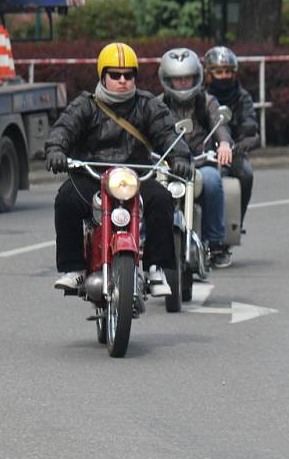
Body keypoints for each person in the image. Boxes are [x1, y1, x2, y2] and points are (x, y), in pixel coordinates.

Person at [46, 42, 192, 296]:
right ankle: (74, 269)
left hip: (135, 177)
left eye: (129, 75)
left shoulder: (149, 105)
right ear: (103, 76)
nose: (122, 80)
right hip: (94, 176)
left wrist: (180, 157)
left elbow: (169, 136)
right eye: (115, 75)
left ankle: (156, 268)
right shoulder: (85, 105)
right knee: (66, 199)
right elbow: (63, 129)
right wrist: (56, 151)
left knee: (162, 199)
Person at [157, 47, 234, 268]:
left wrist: (225, 144)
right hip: (167, 165)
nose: (183, 83)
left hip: (200, 162)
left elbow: (220, 125)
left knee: (212, 182)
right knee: (150, 189)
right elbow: (146, 130)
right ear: (167, 79)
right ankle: (145, 239)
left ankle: (216, 244)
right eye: (177, 79)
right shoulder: (157, 104)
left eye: (187, 78)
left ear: (196, 76)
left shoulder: (206, 101)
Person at [203, 46, 260, 229]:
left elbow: (251, 127)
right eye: (219, 72)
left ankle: (236, 221)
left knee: (246, 174)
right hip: (204, 151)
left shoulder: (243, 98)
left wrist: (243, 144)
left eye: (228, 71)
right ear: (209, 74)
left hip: (234, 151)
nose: (225, 75)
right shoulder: (201, 97)